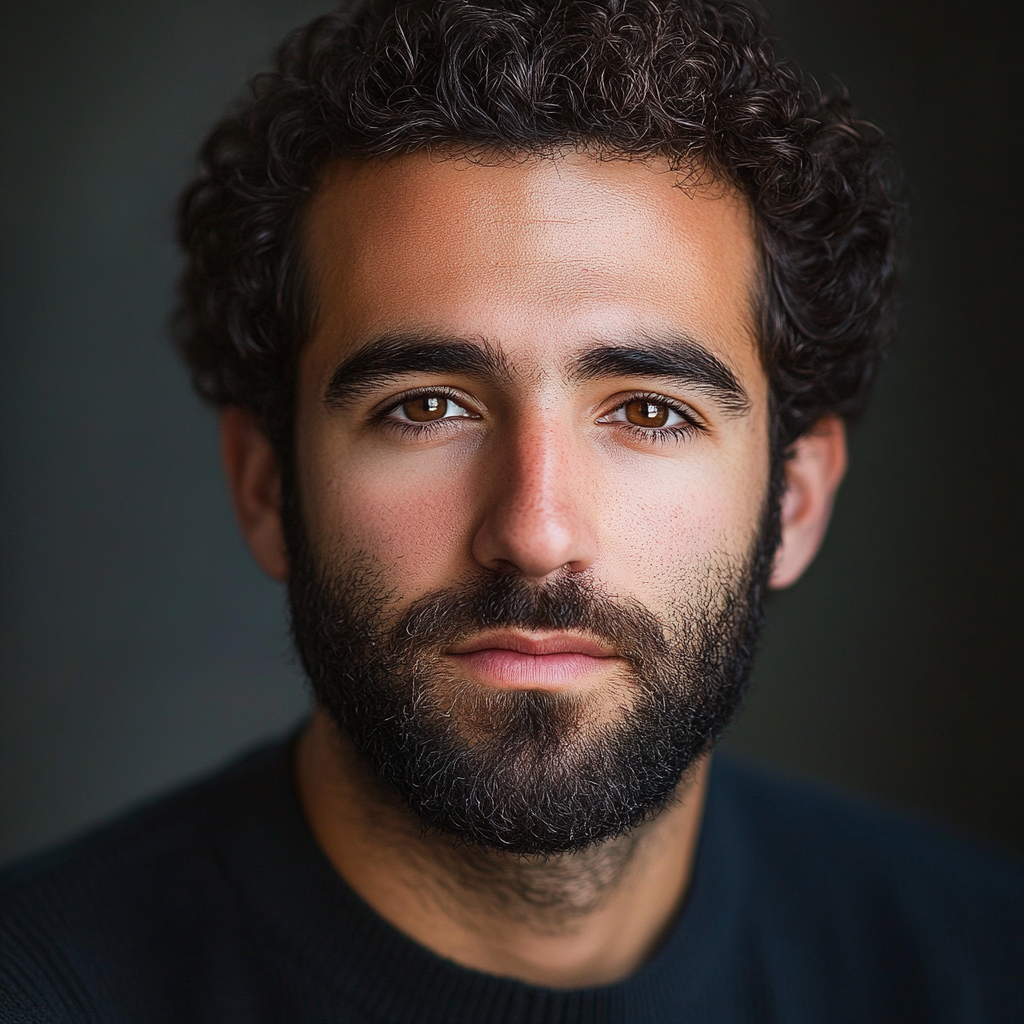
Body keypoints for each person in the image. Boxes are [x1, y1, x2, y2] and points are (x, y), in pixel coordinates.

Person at [1, 0, 1020, 1020]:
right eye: (426, 407)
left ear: (793, 501)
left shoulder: (978, 963)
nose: (534, 531)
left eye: (648, 411)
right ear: (267, 486)